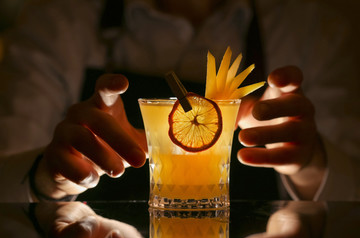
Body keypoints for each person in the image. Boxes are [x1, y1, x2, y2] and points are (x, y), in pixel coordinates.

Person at [0, 0, 359, 202]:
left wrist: (313, 164)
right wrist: (46, 180)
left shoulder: (316, 25)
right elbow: (8, 170)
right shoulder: (59, 16)